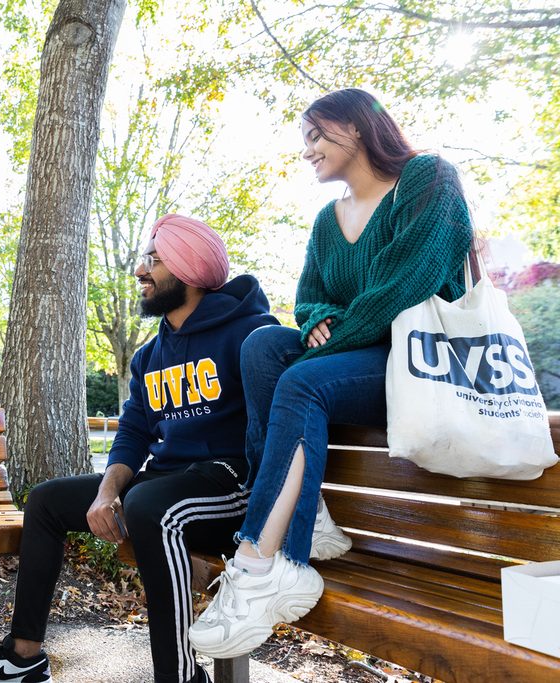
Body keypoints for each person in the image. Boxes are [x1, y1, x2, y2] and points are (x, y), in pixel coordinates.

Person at [188, 89, 474, 659]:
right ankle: (307, 512)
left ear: (359, 128)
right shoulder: (327, 220)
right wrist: (318, 321)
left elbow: (402, 290)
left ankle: (265, 564)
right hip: (358, 363)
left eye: (316, 135)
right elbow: (309, 298)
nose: (308, 150)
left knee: (300, 378)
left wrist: (326, 342)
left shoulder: (428, 180)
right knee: (265, 344)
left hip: (422, 366)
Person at [0, 214, 279, 683]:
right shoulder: (149, 355)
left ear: (190, 270)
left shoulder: (249, 331)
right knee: (48, 501)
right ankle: (24, 655)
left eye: (154, 260)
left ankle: (177, 676)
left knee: (150, 505)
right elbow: (134, 432)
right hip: (167, 485)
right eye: (143, 259)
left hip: (231, 486)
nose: (140, 271)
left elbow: (280, 426)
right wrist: (105, 493)